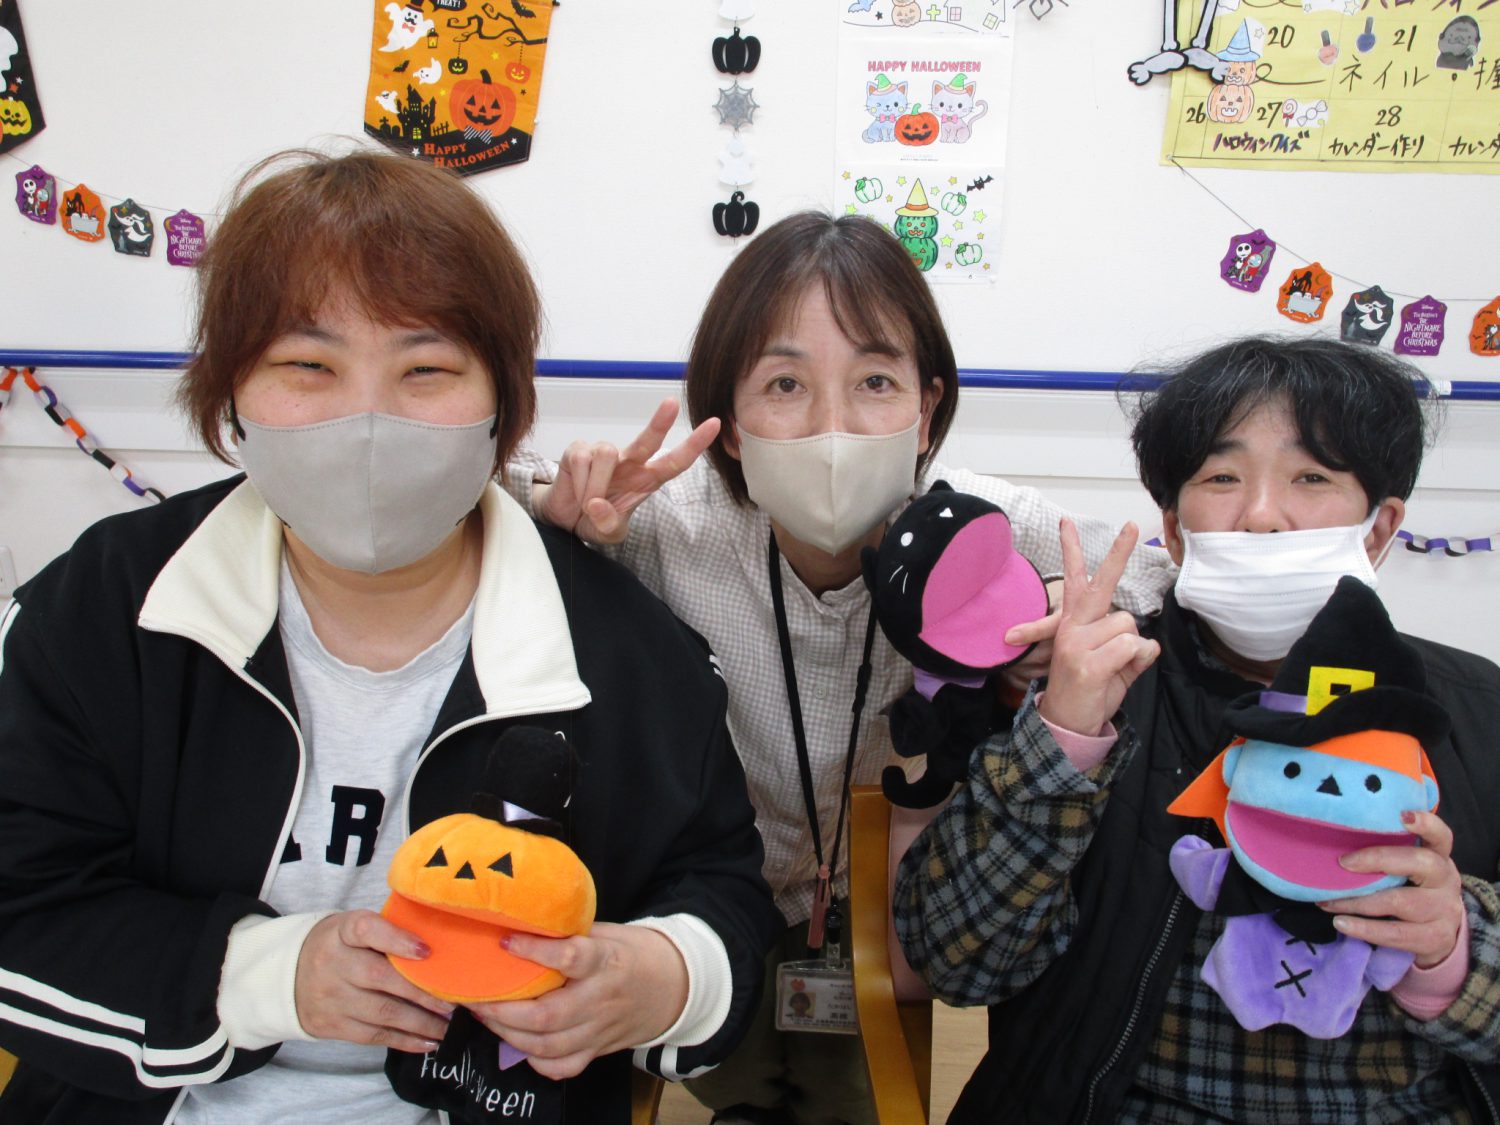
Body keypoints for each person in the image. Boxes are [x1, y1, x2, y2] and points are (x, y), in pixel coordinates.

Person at [0, 149, 781, 1124]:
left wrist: (665, 974)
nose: (367, 420)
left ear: (503, 404)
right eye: (308, 366)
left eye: (426, 369)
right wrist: (263, 976)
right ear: (231, 392)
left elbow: (723, 895)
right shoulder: (105, 610)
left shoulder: (626, 651)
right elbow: (22, 906)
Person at [503, 211, 1179, 1124]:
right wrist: (556, 510)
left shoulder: (973, 527)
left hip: (886, 899)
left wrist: (1050, 603)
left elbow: (1147, 572)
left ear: (925, 410)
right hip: (713, 885)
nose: (833, 428)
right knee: (726, 1075)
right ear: (731, 424)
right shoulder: (672, 519)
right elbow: (484, 492)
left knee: (856, 1091)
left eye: (875, 382)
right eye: (785, 384)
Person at [894, 335, 1500, 1123]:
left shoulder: (1475, 711)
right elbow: (954, 962)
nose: (1262, 516)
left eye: (1312, 477)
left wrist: (1452, 946)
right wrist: (1062, 739)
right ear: (1174, 530)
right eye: (1222, 477)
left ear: (1379, 530)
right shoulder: (1098, 690)